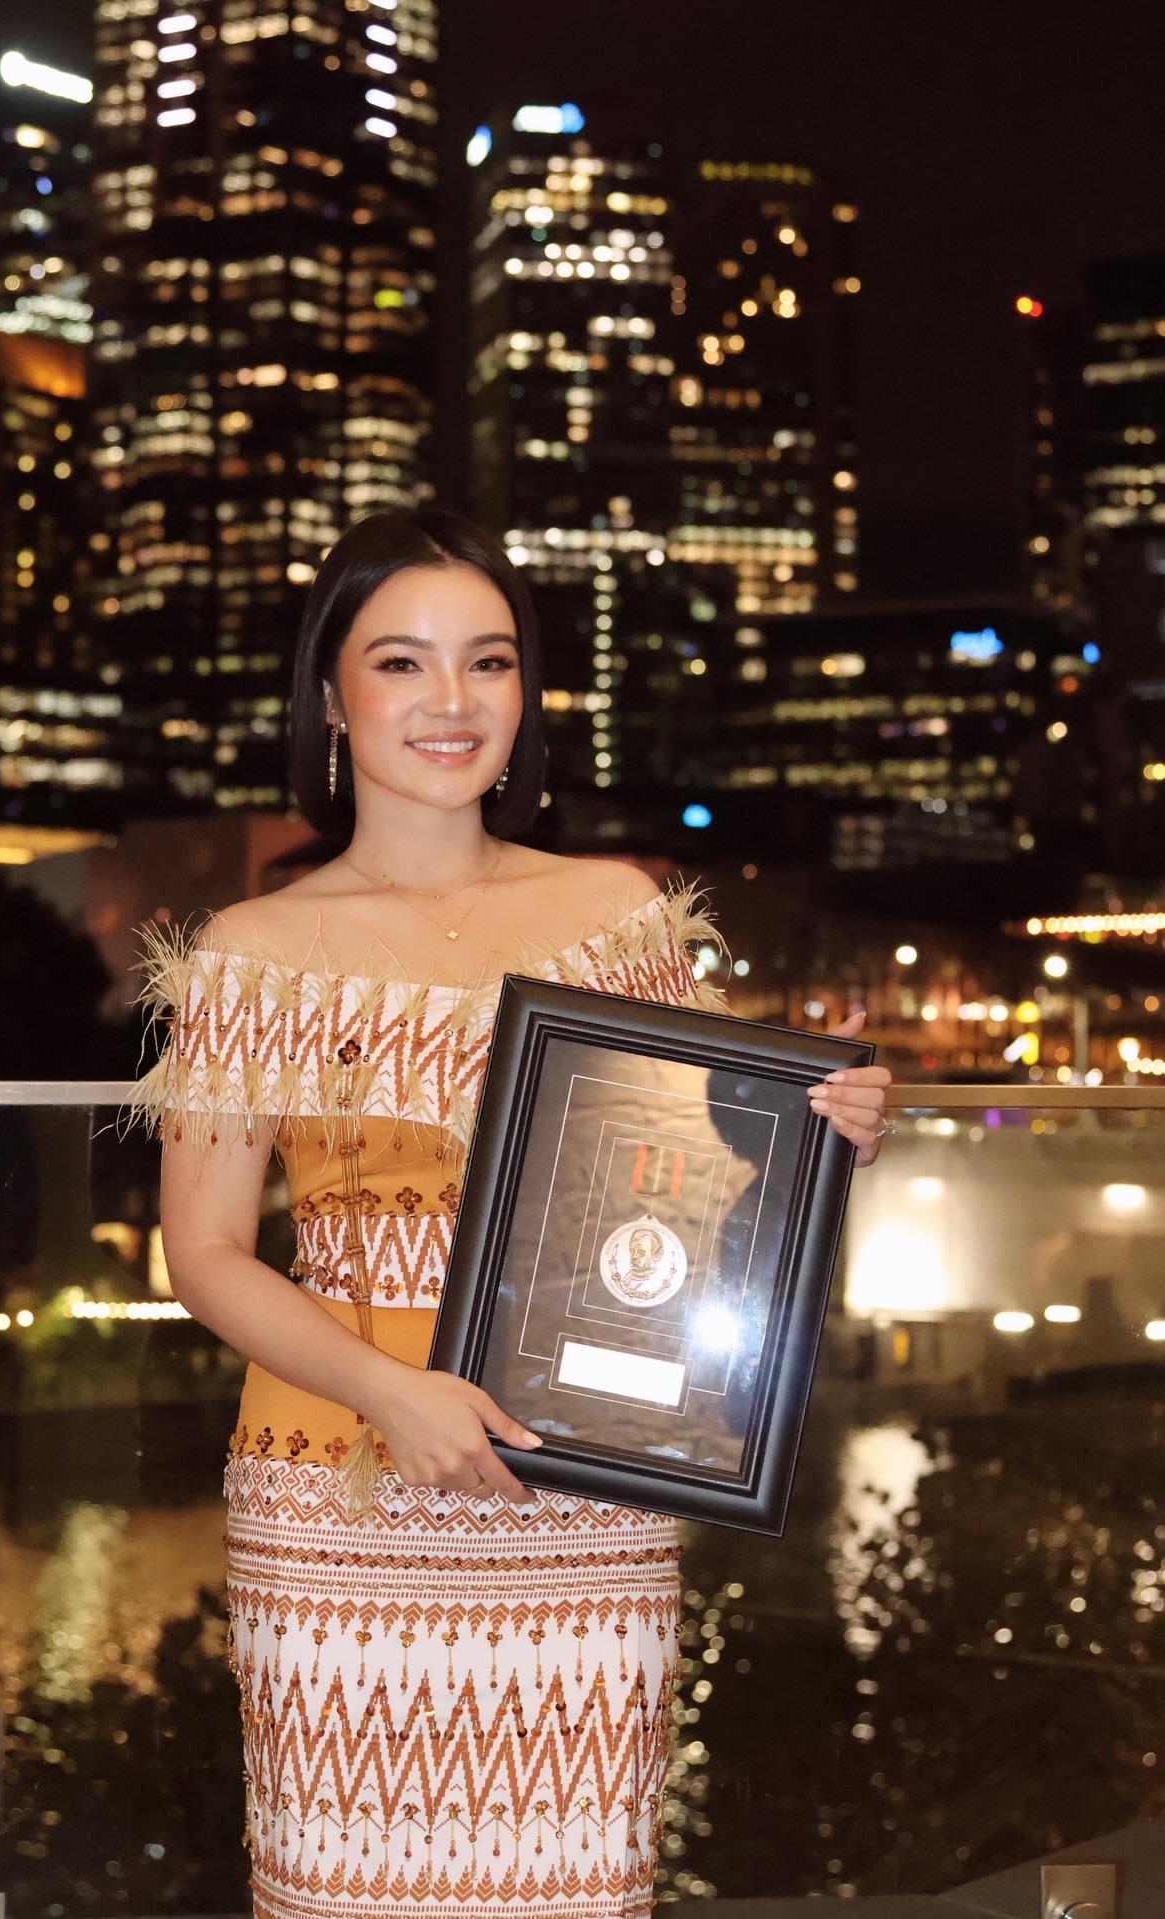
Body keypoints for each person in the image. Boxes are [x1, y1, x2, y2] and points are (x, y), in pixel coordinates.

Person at [125, 507, 891, 1918]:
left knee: (579, 1885)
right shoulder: (252, 953)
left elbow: (690, 1186)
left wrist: (823, 1128)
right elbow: (206, 1254)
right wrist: (394, 1394)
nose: (453, 700)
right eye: (402, 662)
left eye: (488, 661)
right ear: (331, 697)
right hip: (342, 1487)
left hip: (581, 1483)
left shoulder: (615, 913)